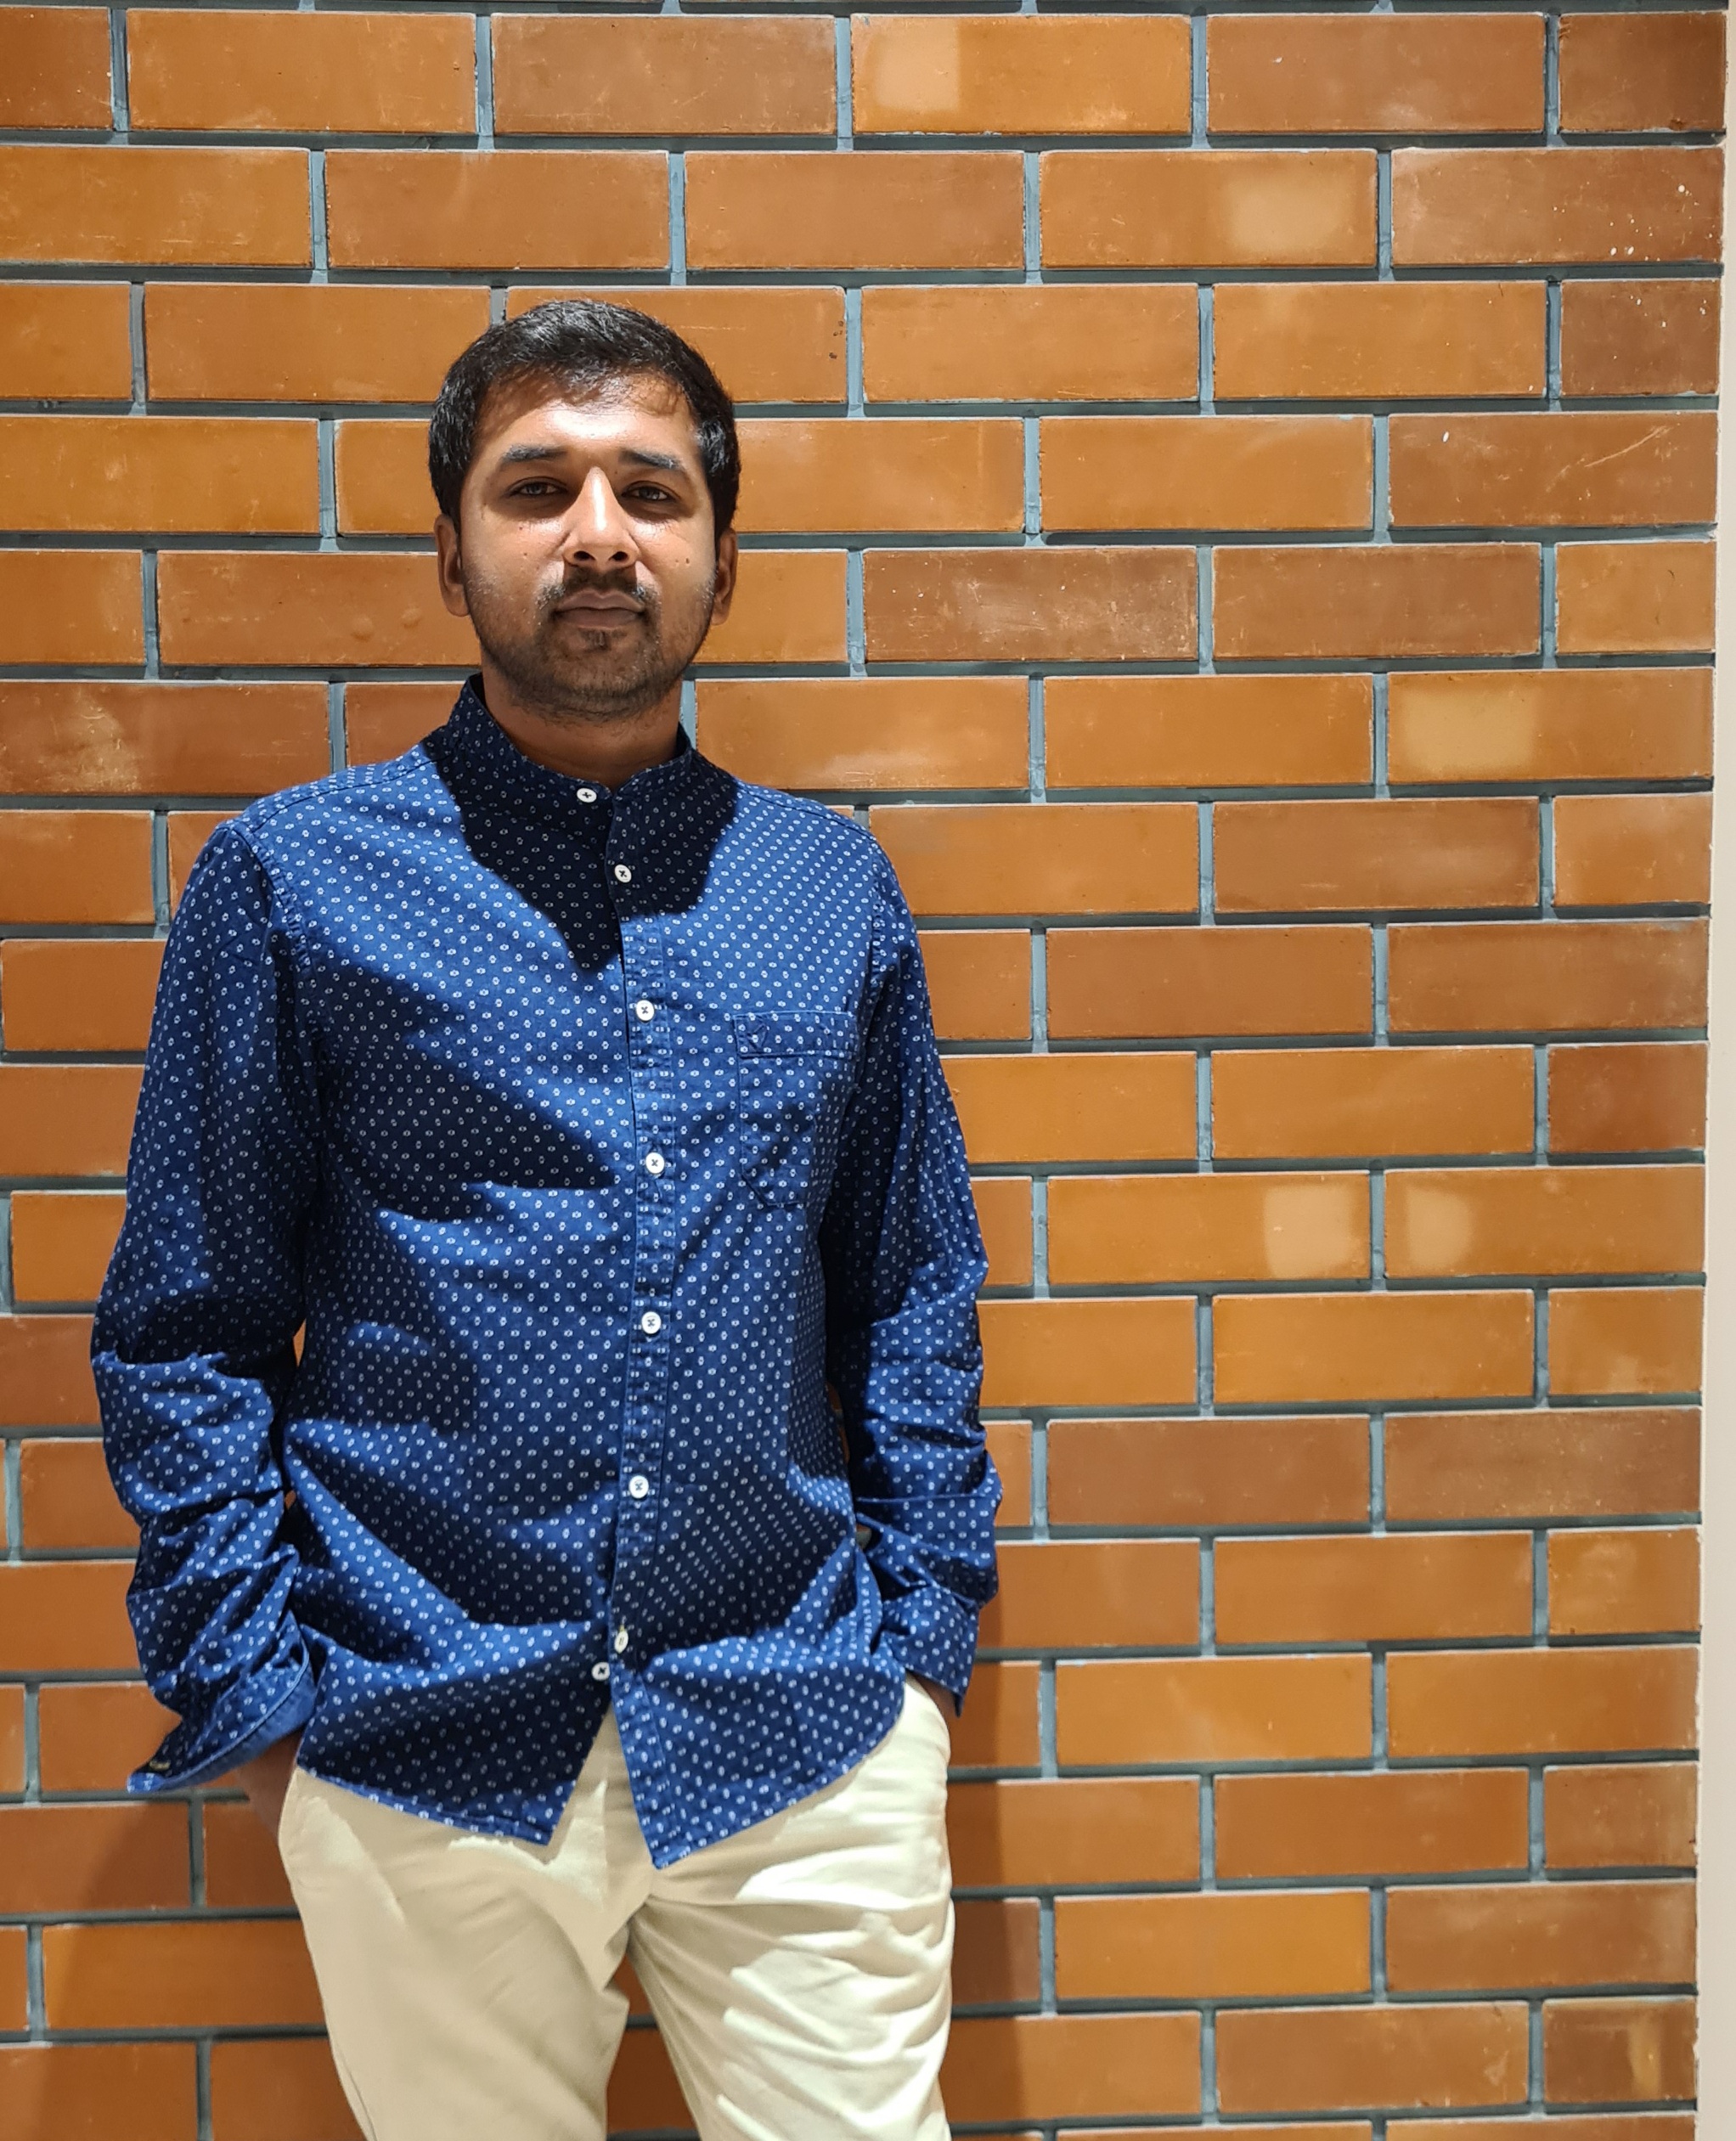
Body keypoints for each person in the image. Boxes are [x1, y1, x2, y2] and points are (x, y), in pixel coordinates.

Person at [94, 300, 999, 2141]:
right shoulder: (291, 882)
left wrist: (920, 1647)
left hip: (798, 1724)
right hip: (417, 1735)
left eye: (651, 491)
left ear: (723, 559)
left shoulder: (829, 890)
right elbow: (186, 1322)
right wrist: (262, 1700)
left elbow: (910, 1285)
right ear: (451, 550)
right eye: (537, 487)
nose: (598, 533)